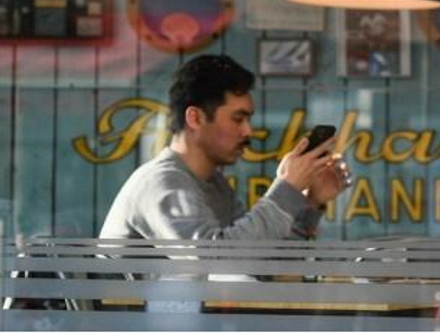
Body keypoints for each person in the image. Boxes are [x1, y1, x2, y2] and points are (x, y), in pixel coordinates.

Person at [100, 53, 348, 242]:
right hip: (135, 311)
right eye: (237, 119)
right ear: (195, 118)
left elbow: (260, 266)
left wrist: (311, 202)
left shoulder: (215, 185)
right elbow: (219, 263)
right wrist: (286, 188)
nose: (248, 131)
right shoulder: (163, 182)